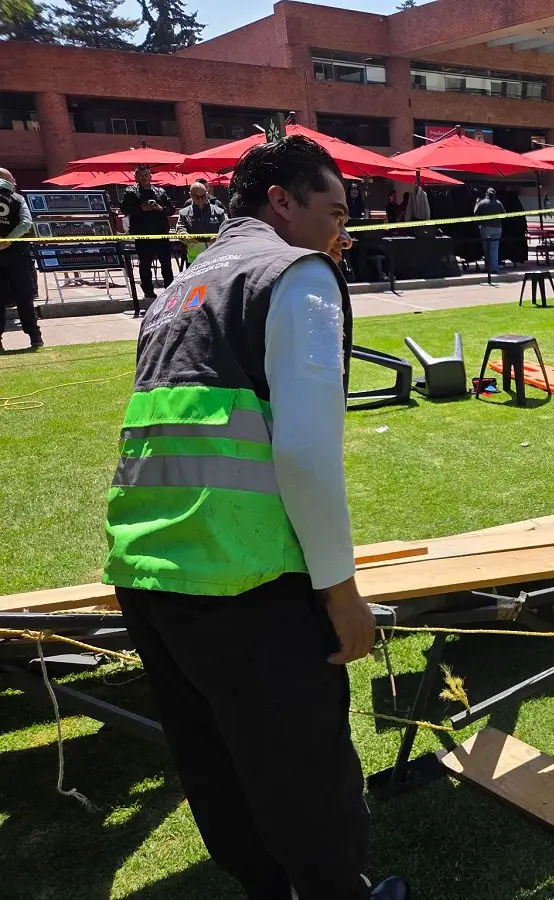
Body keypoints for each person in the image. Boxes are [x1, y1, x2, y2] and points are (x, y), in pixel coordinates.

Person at [102, 135, 409, 900]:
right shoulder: (294, 273)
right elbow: (305, 453)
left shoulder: (179, 287)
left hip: (148, 577)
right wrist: (341, 592)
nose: (342, 233)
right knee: (306, 780)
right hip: (250, 585)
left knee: (218, 770)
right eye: (334, 212)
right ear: (281, 202)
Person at [0, 170, 43, 351]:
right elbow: (26, 223)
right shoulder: (18, 199)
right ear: (7, 180)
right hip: (18, 255)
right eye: (12, 179)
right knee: (24, 297)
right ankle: (35, 337)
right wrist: (9, 239)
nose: (15, 181)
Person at [120, 165, 176, 301]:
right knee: (145, 264)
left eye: (146, 175)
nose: (144, 178)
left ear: (150, 176)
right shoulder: (131, 192)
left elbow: (171, 210)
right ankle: (148, 291)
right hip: (143, 234)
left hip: (161, 233)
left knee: (166, 264)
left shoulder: (160, 191)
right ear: (136, 177)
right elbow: (125, 209)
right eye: (141, 175)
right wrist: (141, 208)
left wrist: (160, 208)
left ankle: (170, 290)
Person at [473, 187, 505, 276]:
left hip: (486, 228)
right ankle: (494, 268)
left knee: (487, 249)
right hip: (498, 228)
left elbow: (475, 212)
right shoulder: (498, 203)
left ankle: (489, 268)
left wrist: (477, 203)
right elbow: (503, 214)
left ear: (486, 194)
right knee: (495, 249)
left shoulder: (482, 202)